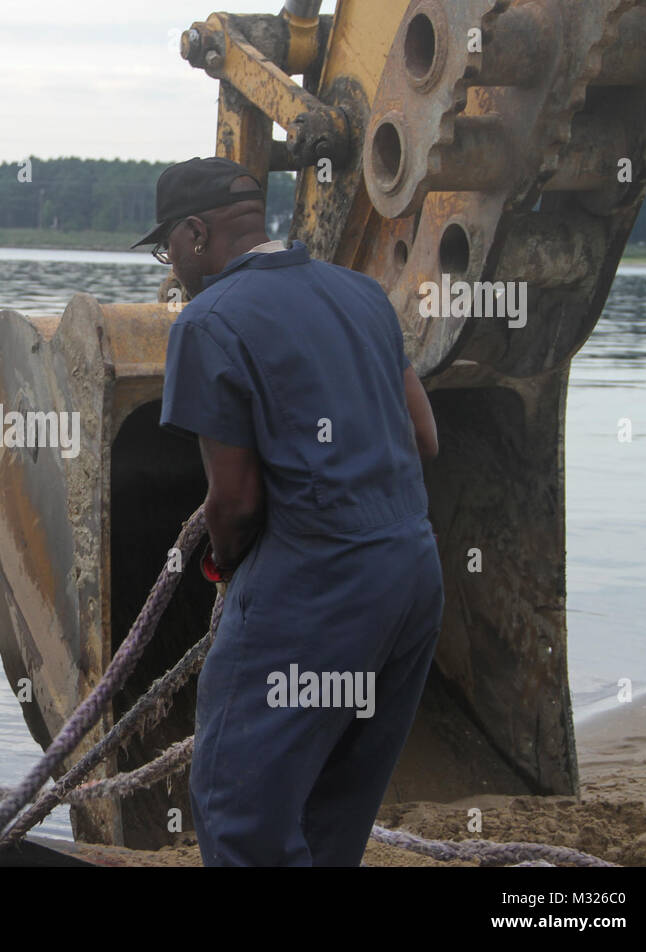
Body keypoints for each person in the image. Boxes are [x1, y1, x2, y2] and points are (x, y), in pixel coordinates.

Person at [135, 157, 443, 866]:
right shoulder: (364, 295)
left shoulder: (208, 322)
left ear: (193, 233)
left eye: (166, 249)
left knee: (237, 808)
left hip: (316, 584)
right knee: (333, 812)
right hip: (411, 575)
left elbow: (235, 504)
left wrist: (225, 571)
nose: (171, 265)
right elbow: (423, 438)